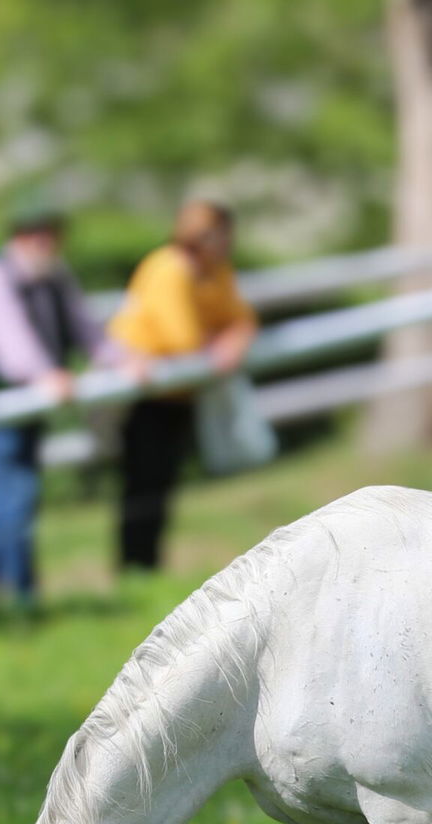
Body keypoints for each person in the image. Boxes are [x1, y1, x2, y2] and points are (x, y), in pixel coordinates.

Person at [0, 205, 116, 616]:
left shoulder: (56, 276)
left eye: (51, 232)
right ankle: (22, 597)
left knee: (8, 502)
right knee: (16, 498)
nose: (45, 241)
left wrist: (121, 359)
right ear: (18, 236)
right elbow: (12, 346)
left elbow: (86, 328)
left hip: (29, 405)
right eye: (35, 233)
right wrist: (46, 374)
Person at [107, 200, 256, 572]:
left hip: (178, 394)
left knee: (162, 484)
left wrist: (231, 337)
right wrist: (219, 337)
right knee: (142, 486)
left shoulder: (215, 271)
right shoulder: (169, 269)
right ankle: (135, 569)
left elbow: (241, 318)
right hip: (142, 395)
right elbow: (182, 338)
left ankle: (148, 567)